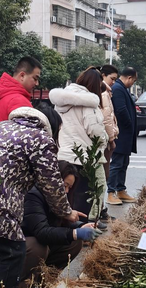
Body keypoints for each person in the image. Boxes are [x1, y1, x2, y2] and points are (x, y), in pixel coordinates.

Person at [0, 105, 84, 288]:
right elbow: (51, 183)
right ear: (51, 126)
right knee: (14, 251)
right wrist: (66, 212)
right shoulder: (40, 138)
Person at [19, 160, 102, 288]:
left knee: (74, 243)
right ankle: (20, 287)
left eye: (69, 187)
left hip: (37, 241)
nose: (67, 191)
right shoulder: (33, 194)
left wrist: (81, 226)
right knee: (38, 247)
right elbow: (42, 231)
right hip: (17, 245)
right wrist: (76, 232)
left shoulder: (56, 197)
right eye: (65, 185)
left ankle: (43, 280)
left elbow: (58, 224)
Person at [49, 66, 109, 224]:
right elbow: (94, 130)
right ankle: (87, 223)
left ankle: (69, 223)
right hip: (85, 156)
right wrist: (105, 138)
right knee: (92, 190)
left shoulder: (61, 100)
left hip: (64, 154)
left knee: (69, 192)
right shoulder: (89, 102)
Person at [107, 67, 138, 204]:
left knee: (124, 163)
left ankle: (121, 190)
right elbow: (121, 110)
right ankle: (111, 193)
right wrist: (130, 124)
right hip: (121, 133)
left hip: (126, 134)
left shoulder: (122, 88)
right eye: (134, 81)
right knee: (117, 164)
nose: (133, 84)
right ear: (129, 78)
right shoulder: (118, 89)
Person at [0, 56, 42, 123]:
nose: (37, 83)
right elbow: (27, 132)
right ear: (22, 76)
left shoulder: (3, 93)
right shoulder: (18, 100)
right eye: (35, 79)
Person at [100, 65, 121, 212]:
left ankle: (100, 210)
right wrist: (111, 139)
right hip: (106, 140)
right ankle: (100, 209)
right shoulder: (103, 93)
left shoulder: (107, 92)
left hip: (107, 138)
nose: (113, 82)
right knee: (103, 175)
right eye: (111, 78)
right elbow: (107, 119)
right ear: (103, 76)